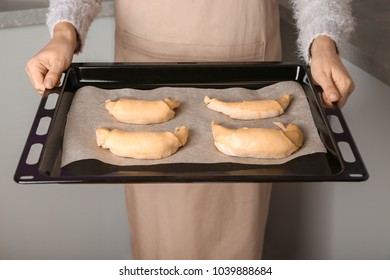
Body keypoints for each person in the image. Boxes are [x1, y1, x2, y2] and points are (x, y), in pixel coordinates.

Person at [25, 0, 355, 259]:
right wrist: (64, 32)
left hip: (247, 62)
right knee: (162, 238)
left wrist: (323, 43)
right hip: (146, 68)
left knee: (235, 234)